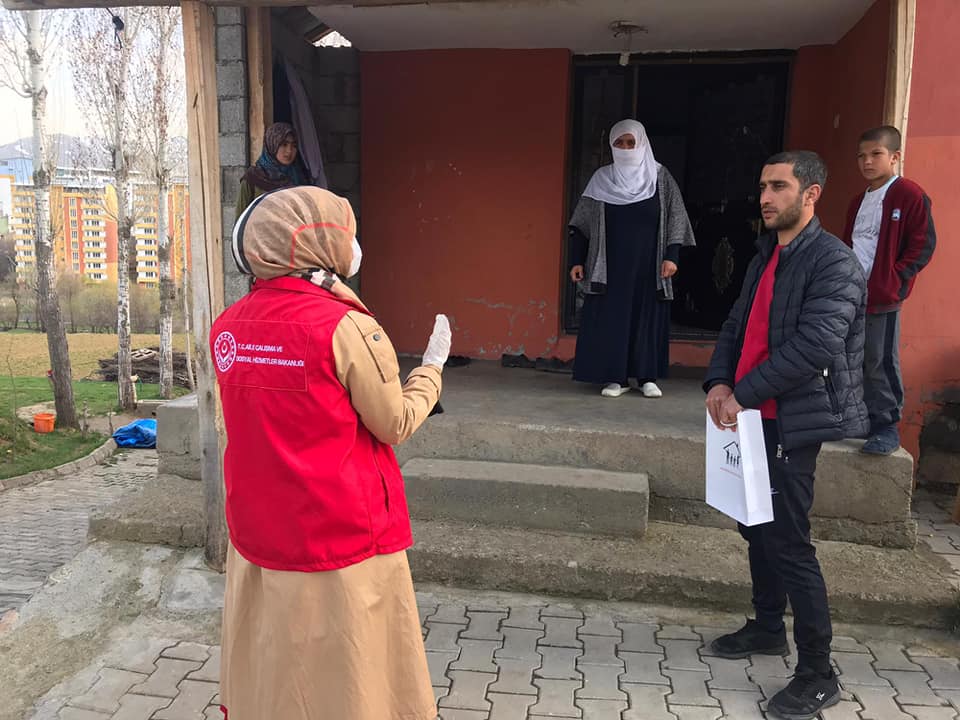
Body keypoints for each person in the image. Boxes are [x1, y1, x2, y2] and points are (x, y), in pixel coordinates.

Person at [211, 186, 451, 720]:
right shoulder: (347, 327)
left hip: (259, 536)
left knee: (277, 669)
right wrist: (431, 369)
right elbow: (394, 422)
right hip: (342, 537)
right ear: (317, 242)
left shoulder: (227, 328)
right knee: (351, 676)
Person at [704, 151, 869, 720]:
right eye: (762, 186)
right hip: (752, 415)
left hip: (792, 420)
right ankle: (768, 627)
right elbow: (736, 325)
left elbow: (815, 347)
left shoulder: (834, 262)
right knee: (754, 525)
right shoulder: (765, 256)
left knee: (790, 542)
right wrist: (719, 380)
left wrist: (739, 394)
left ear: (812, 193)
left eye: (778, 186)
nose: (766, 197)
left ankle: (818, 673)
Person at [568, 119, 695, 398]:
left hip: (650, 265)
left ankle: (647, 376)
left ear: (642, 143)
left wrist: (671, 255)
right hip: (610, 266)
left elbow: (677, 217)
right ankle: (617, 378)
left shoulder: (660, 177)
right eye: (619, 143)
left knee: (647, 317)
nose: (625, 148)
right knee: (614, 319)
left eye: (631, 142)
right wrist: (577, 261)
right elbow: (580, 224)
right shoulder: (602, 179)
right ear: (612, 146)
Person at [841, 125, 936, 455]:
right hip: (851, 292)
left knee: (879, 359)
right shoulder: (858, 201)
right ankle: (855, 419)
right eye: (861, 156)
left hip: (883, 294)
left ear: (895, 157)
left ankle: (885, 425)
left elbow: (922, 244)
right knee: (849, 356)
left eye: (876, 154)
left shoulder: (908, 195)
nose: (867, 162)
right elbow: (850, 244)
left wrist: (895, 280)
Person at [235, 121, 308, 218]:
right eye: (284, 144)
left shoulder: (298, 176)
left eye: (294, 145)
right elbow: (241, 218)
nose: (289, 151)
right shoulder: (253, 177)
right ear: (272, 144)